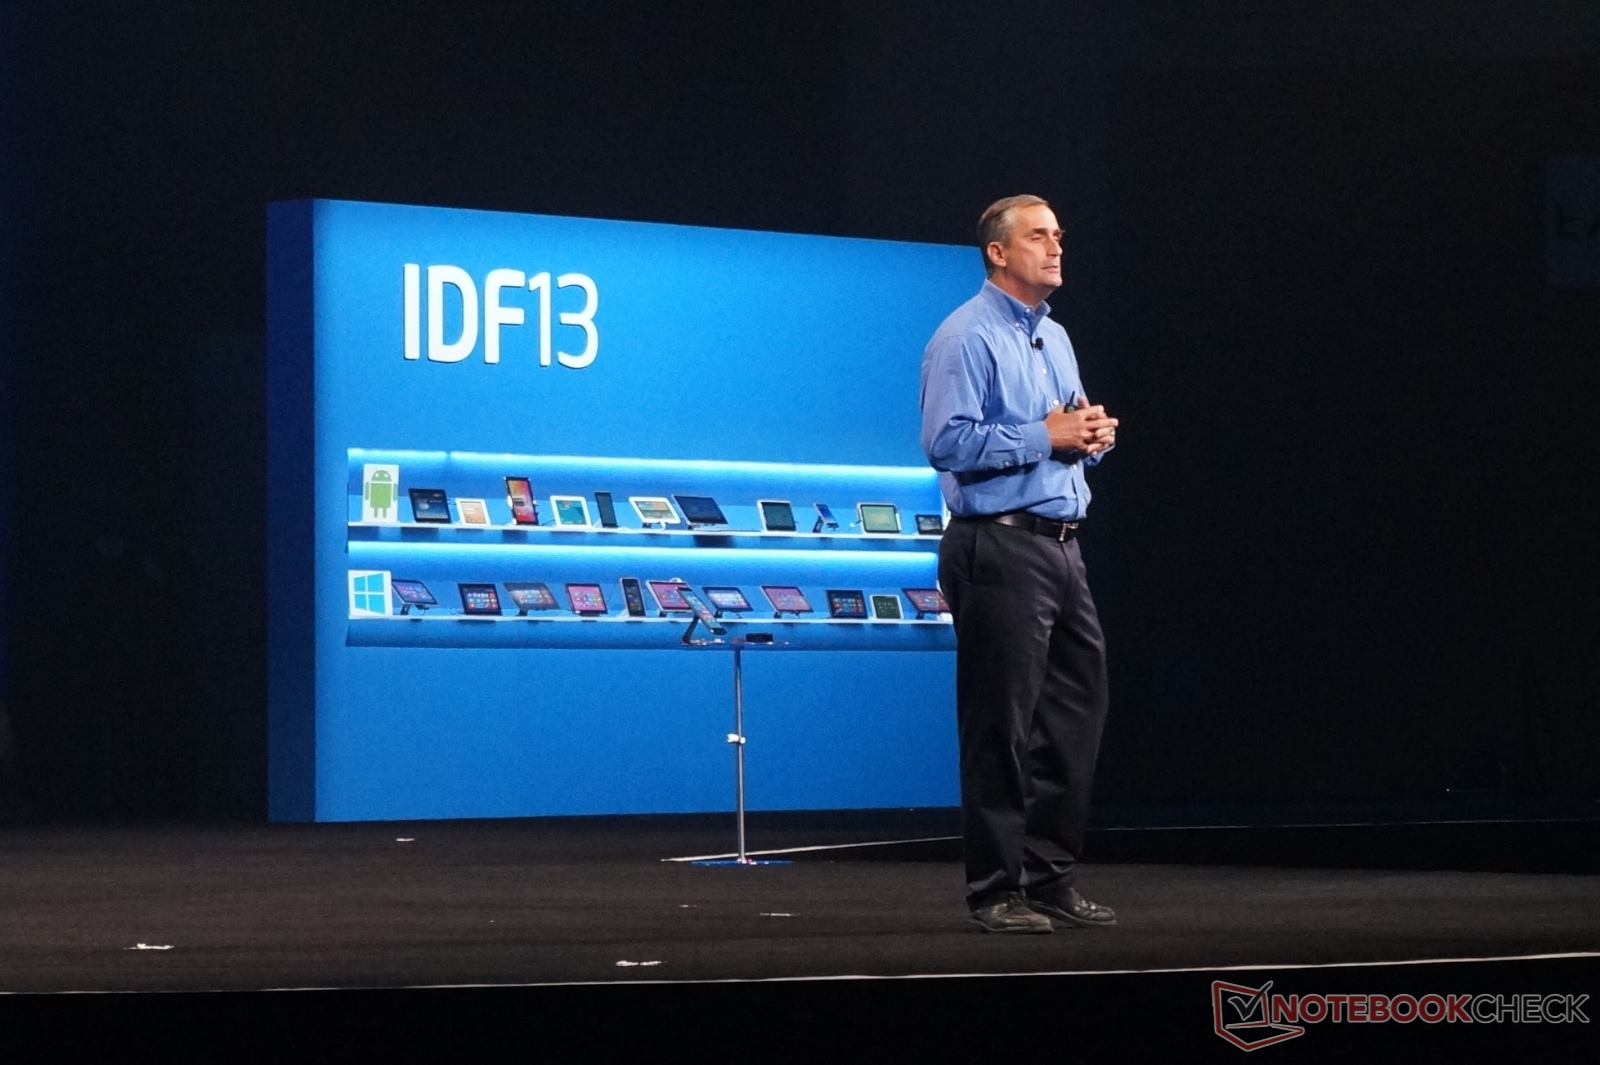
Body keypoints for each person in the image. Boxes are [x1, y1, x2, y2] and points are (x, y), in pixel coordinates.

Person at [919, 195, 1119, 934]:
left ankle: (1050, 877)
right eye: (1039, 236)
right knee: (999, 724)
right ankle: (996, 888)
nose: (1056, 246)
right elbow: (946, 443)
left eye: (1059, 235)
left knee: (1074, 717)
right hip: (997, 544)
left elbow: (1062, 429)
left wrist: (1089, 436)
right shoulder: (964, 336)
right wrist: (1046, 435)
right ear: (998, 253)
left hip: (1063, 544)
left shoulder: (1054, 337)